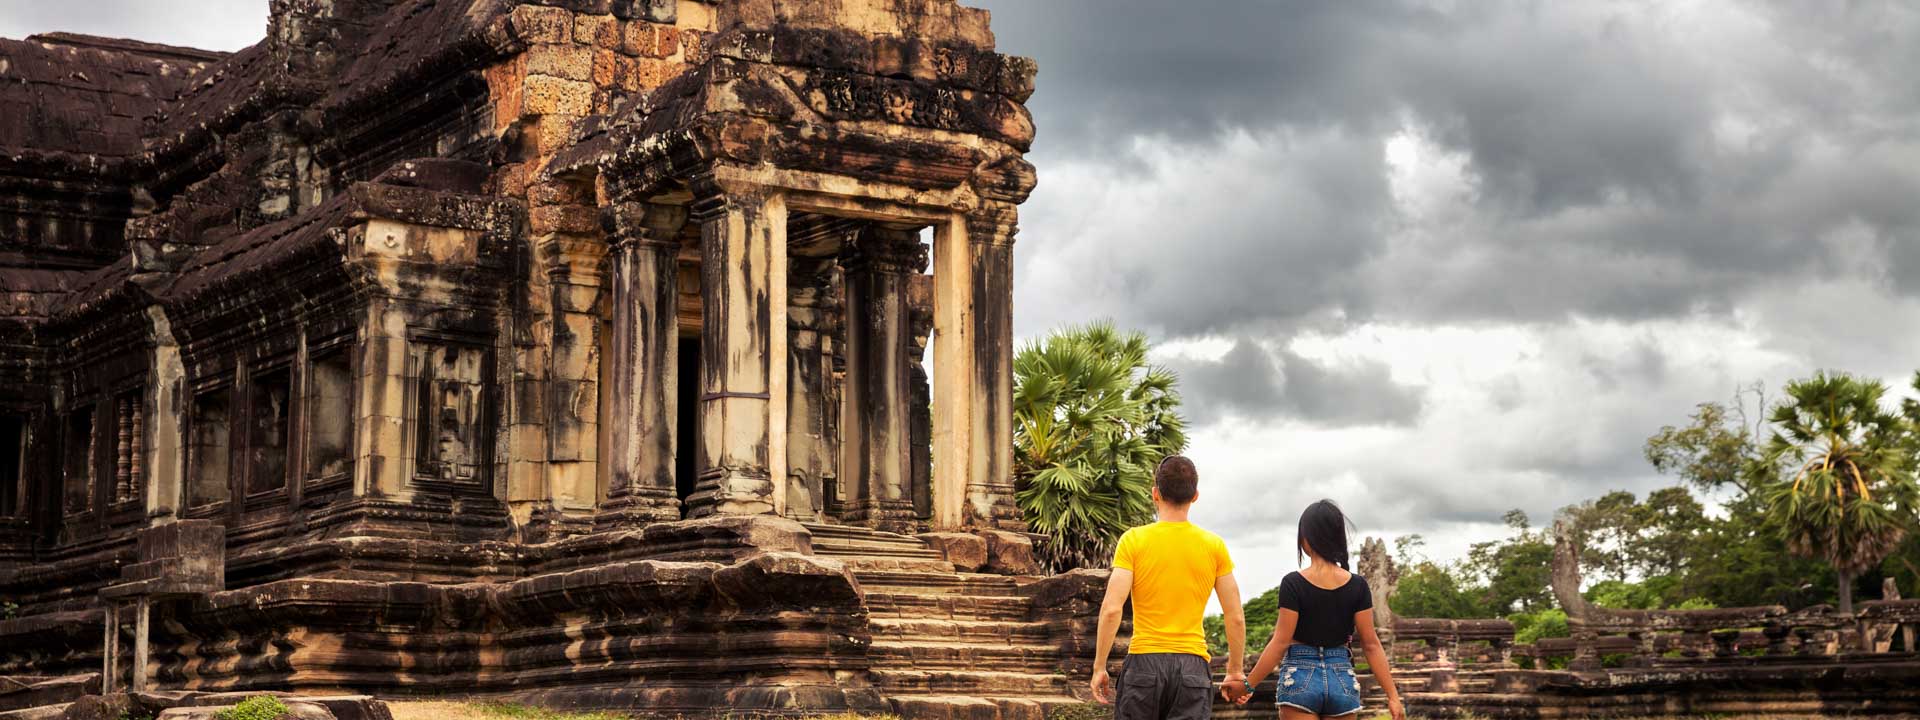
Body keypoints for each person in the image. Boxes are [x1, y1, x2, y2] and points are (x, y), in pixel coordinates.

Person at [1090, 455, 1248, 720]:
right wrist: (1234, 671)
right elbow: (1235, 617)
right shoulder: (1214, 546)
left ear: (1155, 494)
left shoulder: (1133, 541)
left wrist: (1099, 667)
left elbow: (1111, 609)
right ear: (1195, 496)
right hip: (1193, 668)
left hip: (1144, 663)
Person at [1230, 500, 1404, 720]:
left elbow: (1280, 642)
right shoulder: (1358, 585)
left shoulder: (1293, 583)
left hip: (1300, 678)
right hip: (1342, 677)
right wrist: (1393, 696)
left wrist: (1248, 685)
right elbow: (1371, 644)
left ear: (1305, 539)